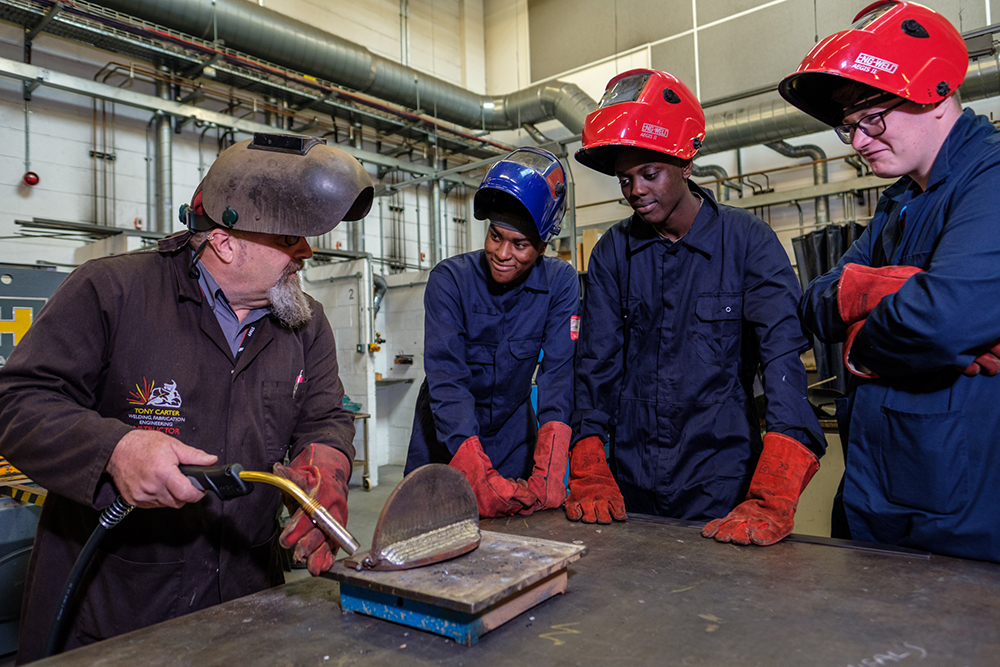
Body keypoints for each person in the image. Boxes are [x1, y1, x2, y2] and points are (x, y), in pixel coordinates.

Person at [0, 132, 374, 661]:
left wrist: (327, 466)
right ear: (225, 241)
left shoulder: (304, 325)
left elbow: (325, 418)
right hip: (115, 609)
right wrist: (116, 449)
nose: (307, 252)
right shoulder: (112, 292)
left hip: (248, 600)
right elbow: (18, 402)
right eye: (292, 238)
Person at [781, 0, 1000, 563]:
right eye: (849, 126)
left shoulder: (991, 179)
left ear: (936, 90)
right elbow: (816, 303)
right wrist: (874, 293)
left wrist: (859, 333)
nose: (857, 141)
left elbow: (940, 319)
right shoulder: (899, 200)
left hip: (960, 506)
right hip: (875, 489)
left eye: (871, 118)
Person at [568, 68, 826, 547]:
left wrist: (782, 467)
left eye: (650, 173)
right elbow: (596, 364)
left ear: (685, 163)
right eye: (626, 179)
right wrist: (587, 455)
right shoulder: (612, 253)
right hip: (631, 479)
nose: (636, 191)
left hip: (721, 478)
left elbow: (783, 356)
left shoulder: (748, 243)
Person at [405, 147, 579, 517]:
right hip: (445, 433)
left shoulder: (560, 283)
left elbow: (559, 374)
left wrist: (550, 464)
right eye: (495, 236)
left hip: (513, 437)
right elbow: (447, 378)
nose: (502, 253)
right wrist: (471, 466)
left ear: (544, 245)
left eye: (520, 244)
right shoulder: (449, 280)